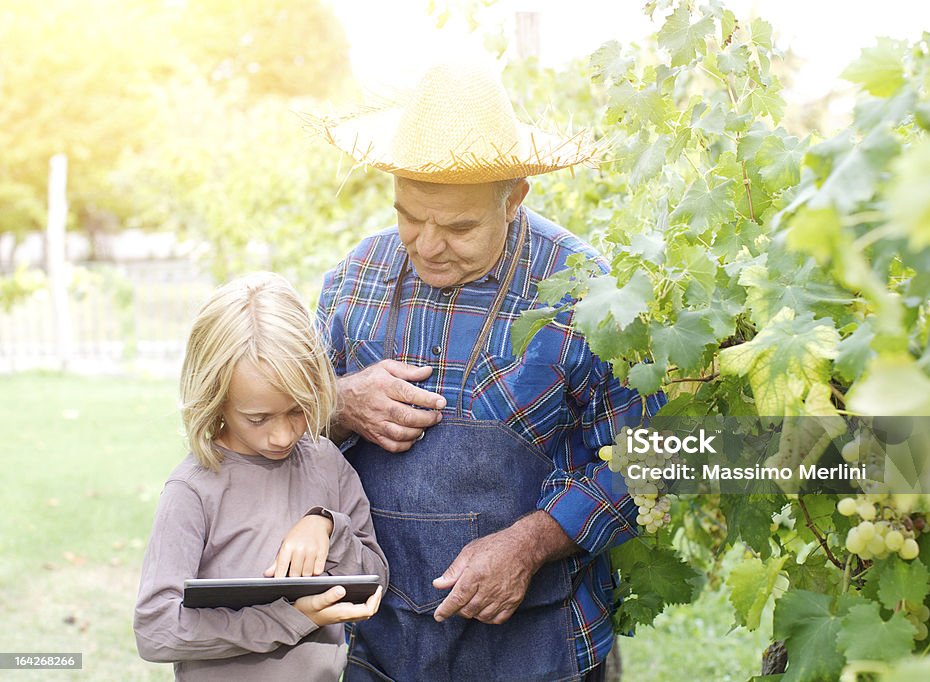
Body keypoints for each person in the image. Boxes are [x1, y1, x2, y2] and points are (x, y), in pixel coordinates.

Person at [314, 60, 663, 681]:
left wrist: (529, 545)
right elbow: (278, 431)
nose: (425, 244)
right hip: (375, 644)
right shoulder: (355, 279)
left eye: (457, 226)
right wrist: (334, 401)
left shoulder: (587, 293)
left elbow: (651, 461)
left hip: (540, 645)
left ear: (515, 197)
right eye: (409, 216)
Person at [134, 272, 388, 681]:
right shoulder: (193, 490)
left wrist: (327, 527)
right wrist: (286, 619)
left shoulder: (327, 463)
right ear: (215, 400)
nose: (283, 434)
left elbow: (376, 579)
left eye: (297, 410)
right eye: (258, 418)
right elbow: (156, 629)